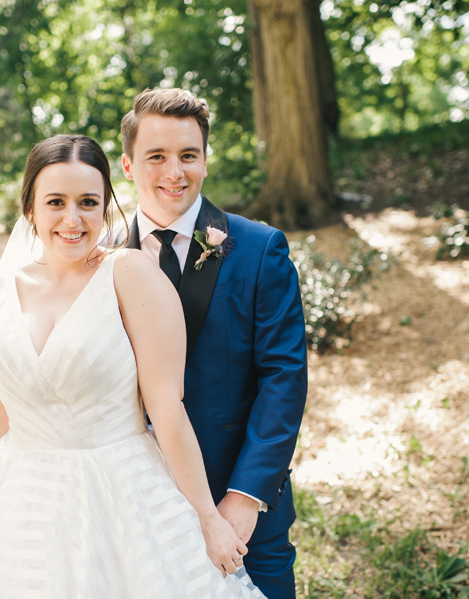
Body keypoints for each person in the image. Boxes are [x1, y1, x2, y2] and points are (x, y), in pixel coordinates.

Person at [0, 134, 267, 598]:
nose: (72, 219)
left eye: (88, 202)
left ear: (105, 206)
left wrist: (207, 516)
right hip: (22, 491)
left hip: (120, 492)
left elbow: (167, 408)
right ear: (30, 210)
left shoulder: (129, 275)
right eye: (55, 202)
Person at [119, 88, 308, 599]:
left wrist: (246, 497)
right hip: (130, 504)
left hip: (238, 504)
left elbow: (283, 379)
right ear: (129, 165)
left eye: (188, 156)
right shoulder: (99, 258)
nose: (173, 172)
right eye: (156, 156)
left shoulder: (259, 249)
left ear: (205, 159)